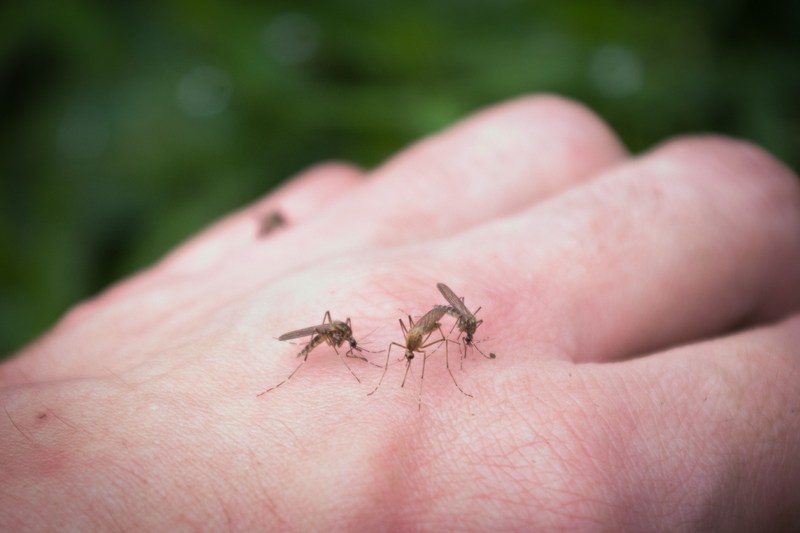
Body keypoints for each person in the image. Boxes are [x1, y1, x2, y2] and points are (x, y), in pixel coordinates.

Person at [1, 95, 798, 531]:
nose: (369, 340)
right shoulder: (394, 338)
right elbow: (403, 333)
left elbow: (437, 321)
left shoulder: (432, 326)